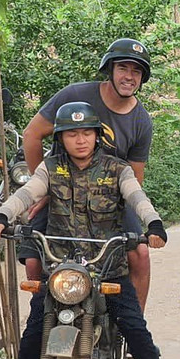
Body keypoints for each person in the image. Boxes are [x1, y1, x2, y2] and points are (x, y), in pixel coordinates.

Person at [0, 102, 180, 359]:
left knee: (139, 336)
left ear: (97, 136)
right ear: (61, 138)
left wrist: (153, 223)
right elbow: (27, 193)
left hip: (107, 269)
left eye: (86, 132)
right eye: (71, 133)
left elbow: (137, 197)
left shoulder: (117, 169)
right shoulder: (50, 169)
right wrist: (4, 213)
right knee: (32, 338)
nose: (79, 139)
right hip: (61, 273)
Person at [20, 38, 155, 310]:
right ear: (109, 69)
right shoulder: (74, 96)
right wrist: (46, 189)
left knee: (139, 254)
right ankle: (43, 318)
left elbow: (135, 178)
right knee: (34, 257)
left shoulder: (141, 121)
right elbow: (32, 135)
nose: (129, 76)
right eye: (123, 68)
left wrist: (125, 209)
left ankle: (135, 324)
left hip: (109, 196)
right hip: (63, 189)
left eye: (136, 71)